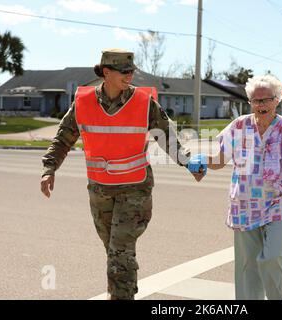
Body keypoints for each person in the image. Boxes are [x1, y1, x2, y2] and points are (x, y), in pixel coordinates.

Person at [40, 48, 199, 300]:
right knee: (113, 252)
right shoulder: (82, 102)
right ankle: (121, 291)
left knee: (120, 252)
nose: (129, 75)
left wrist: (188, 162)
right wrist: (49, 168)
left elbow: (167, 136)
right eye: (124, 71)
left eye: (131, 71)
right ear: (106, 72)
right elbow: (63, 138)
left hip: (134, 189)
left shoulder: (145, 102)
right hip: (100, 191)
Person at [187, 74, 282, 300]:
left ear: (277, 100)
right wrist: (201, 160)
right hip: (245, 202)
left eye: (267, 99)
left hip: (281, 199)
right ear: (250, 102)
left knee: (273, 256)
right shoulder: (239, 126)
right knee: (248, 266)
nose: (261, 105)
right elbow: (220, 159)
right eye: (256, 101)